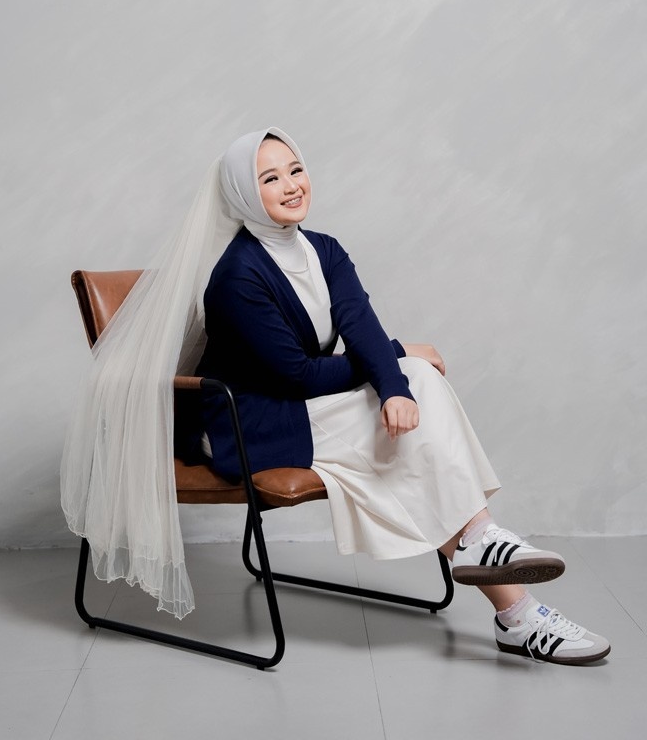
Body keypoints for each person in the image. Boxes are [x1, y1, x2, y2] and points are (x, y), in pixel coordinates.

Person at [61, 125, 610, 664]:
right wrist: (398, 357)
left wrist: (394, 383)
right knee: (410, 417)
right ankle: (505, 587)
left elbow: (360, 325)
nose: (291, 185)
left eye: (295, 169)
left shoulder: (324, 249)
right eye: (270, 178)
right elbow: (297, 375)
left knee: (414, 389)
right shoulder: (236, 277)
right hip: (246, 422)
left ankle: (496, 570)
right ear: (243, 194)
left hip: (299, 407)